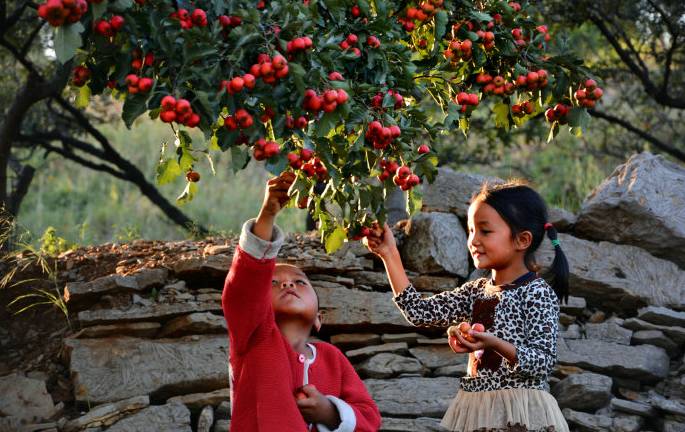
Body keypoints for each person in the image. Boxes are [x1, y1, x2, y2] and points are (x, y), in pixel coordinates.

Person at [364, 180, 570, 432]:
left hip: (522, 415)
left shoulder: (537, 293)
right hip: (478, 412)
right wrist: (389, 253)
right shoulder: (475, 291)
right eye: (470, 230)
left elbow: (542, 363)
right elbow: (419, 312)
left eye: (485, 231)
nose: (473, 240)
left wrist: (493, 343)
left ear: (522, 240)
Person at [222, 171, 382, 432]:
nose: (287, 284)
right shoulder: (253, 338)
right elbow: (244, 288)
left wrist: (329, 412)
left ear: (319, 318)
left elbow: (369, 417)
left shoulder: (333, 359)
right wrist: (267, 215)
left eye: (300, 282)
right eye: (273, 283)